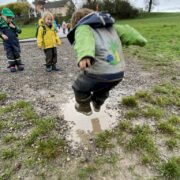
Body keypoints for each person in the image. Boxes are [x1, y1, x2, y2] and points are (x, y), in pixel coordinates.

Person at [67, 8, 147, 116]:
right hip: (118, 73)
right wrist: (140, 39)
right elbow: (128, 31)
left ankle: (84, 107)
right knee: (104, 89)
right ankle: (97, 103)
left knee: (79, 87)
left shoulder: (83, 27)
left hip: (99, 73)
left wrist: (84, 55)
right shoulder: (113, 27)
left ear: (77, 22)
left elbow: (84, 40)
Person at [0, 8, 24, 72]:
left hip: (15, 42)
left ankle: (19, 64)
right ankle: (12, 65)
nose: (9, 19)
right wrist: (2, 35)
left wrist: (14, 27)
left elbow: (20, 31)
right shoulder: (1, 24)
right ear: (2, 16)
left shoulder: (12, 23)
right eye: (7, 17)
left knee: (16, 53)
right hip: (7, 43)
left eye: (10, 18)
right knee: (10, 54)